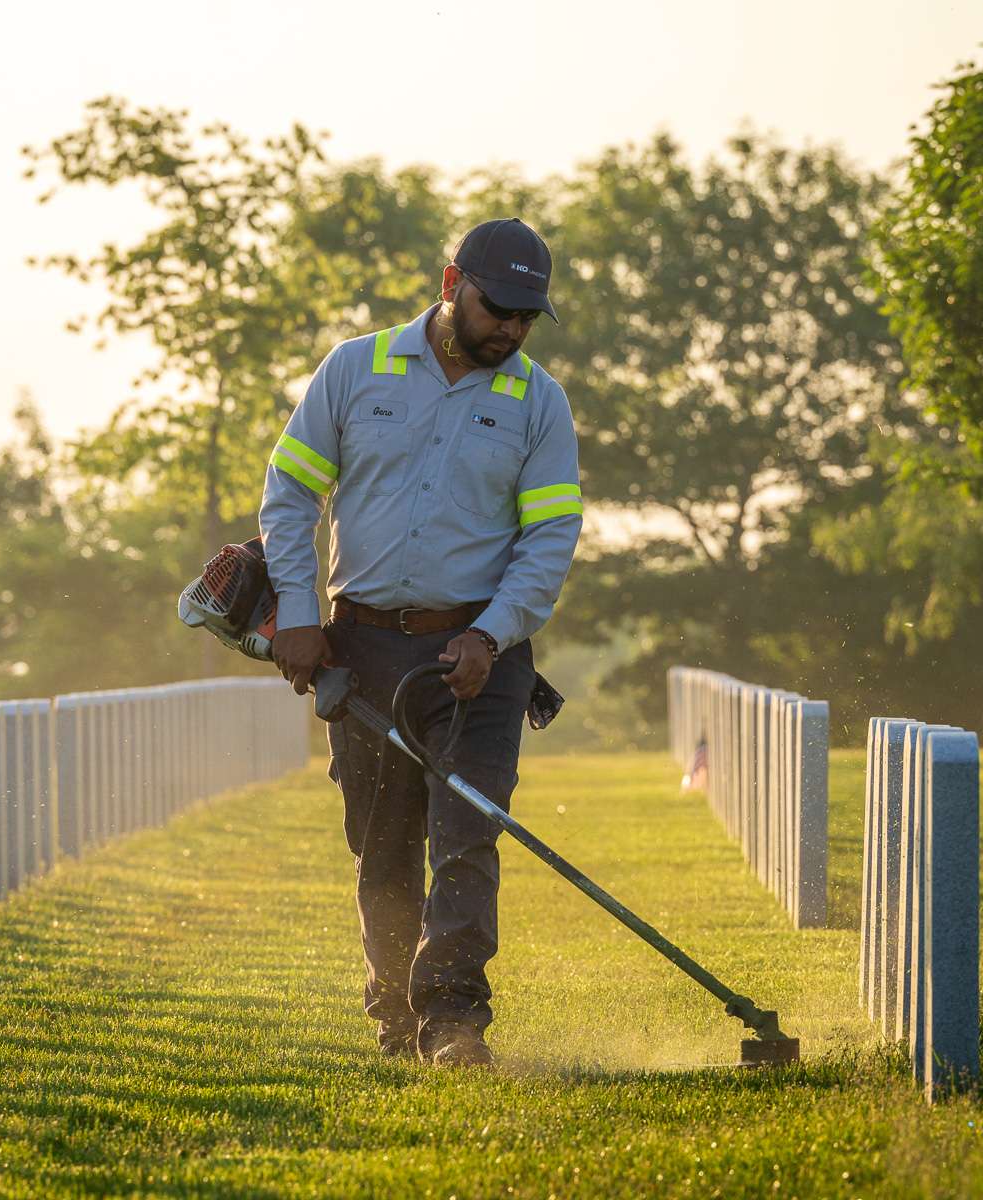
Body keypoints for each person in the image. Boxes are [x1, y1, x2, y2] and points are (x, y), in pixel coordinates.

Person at [259, 218, 583, 1068]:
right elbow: (291, 495)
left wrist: (490, 633)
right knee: (384, 842)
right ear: (451, 284)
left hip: (480, 658)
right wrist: (297, 610)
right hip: (361, 648)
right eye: (497, 308)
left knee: (467, 832)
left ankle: (453, 1018)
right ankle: (396, 1014)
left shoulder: (538, 403)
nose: (510, 330)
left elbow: (549, 542)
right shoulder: (353, 369)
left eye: (526, 317)